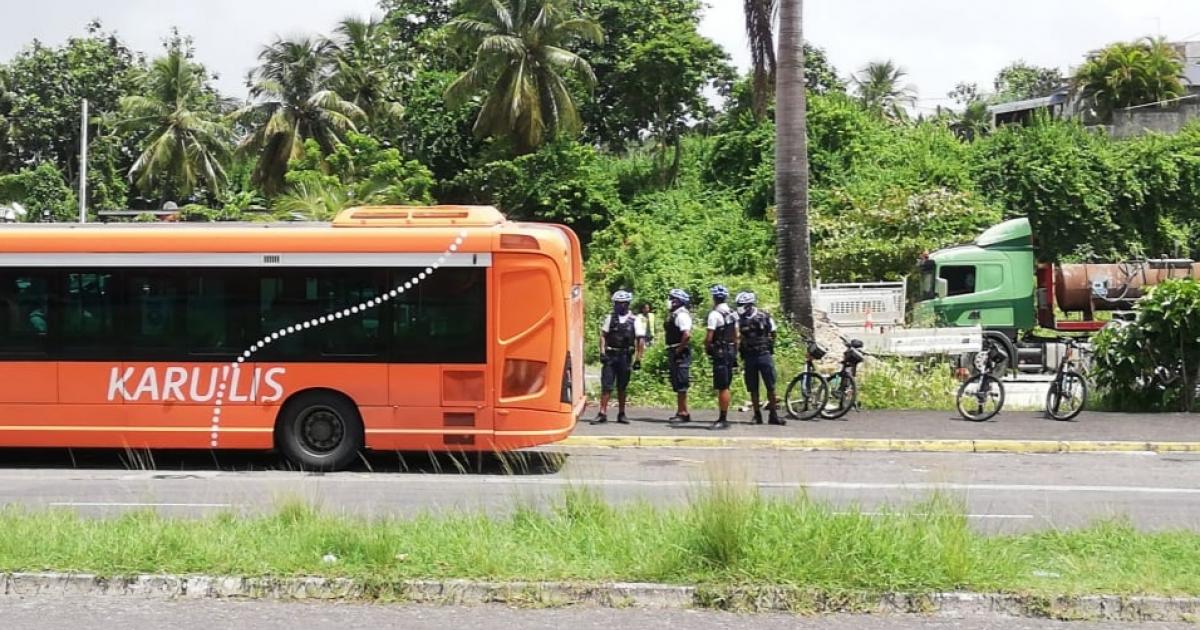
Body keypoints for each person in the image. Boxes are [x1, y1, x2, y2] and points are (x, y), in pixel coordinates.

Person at [593, 290, 645, 425]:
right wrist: (602, 352)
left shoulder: (635, 320)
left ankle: (621, 414)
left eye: (621, 303)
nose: (618, 306)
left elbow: (640, 340)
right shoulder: (610, 318)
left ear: (627, 304)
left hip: (625, 356)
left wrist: (638, 358)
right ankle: (602, 413)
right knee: (607, 385)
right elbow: (603, 336)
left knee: (622, 386)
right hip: (611, 356)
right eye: (616, 303)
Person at [736, 291, 784, 425]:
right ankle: (757, 415)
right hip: (749, 356)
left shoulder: (764, 316)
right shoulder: (740, 319)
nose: (740, 307)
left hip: (764, 355)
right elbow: (737, 337)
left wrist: (767, 345)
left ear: (750, 305)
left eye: (742, 305)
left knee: (771, 386)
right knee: (753, 387)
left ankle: (773, 414)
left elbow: (773, 333)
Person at [705, 285, 739, 431]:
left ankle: (722, 418)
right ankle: (723, 416)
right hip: (731, 350)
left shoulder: (714, 315)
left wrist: (708, 348)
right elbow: (736, 336)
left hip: (720, 351)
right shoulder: (733, 313)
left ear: (714, 298)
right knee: (726, 384)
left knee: (722, 386)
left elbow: (709, 337)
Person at [664, 288, 693, 424]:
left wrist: (678, 350)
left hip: (679, 352)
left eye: (672, 299)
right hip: (674, 350)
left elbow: (686, 335)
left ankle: (683, 412)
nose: (669, 301)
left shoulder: (681, 315)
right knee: (676, 381)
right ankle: (680, 410)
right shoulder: (674, 314)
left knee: (681, 382)